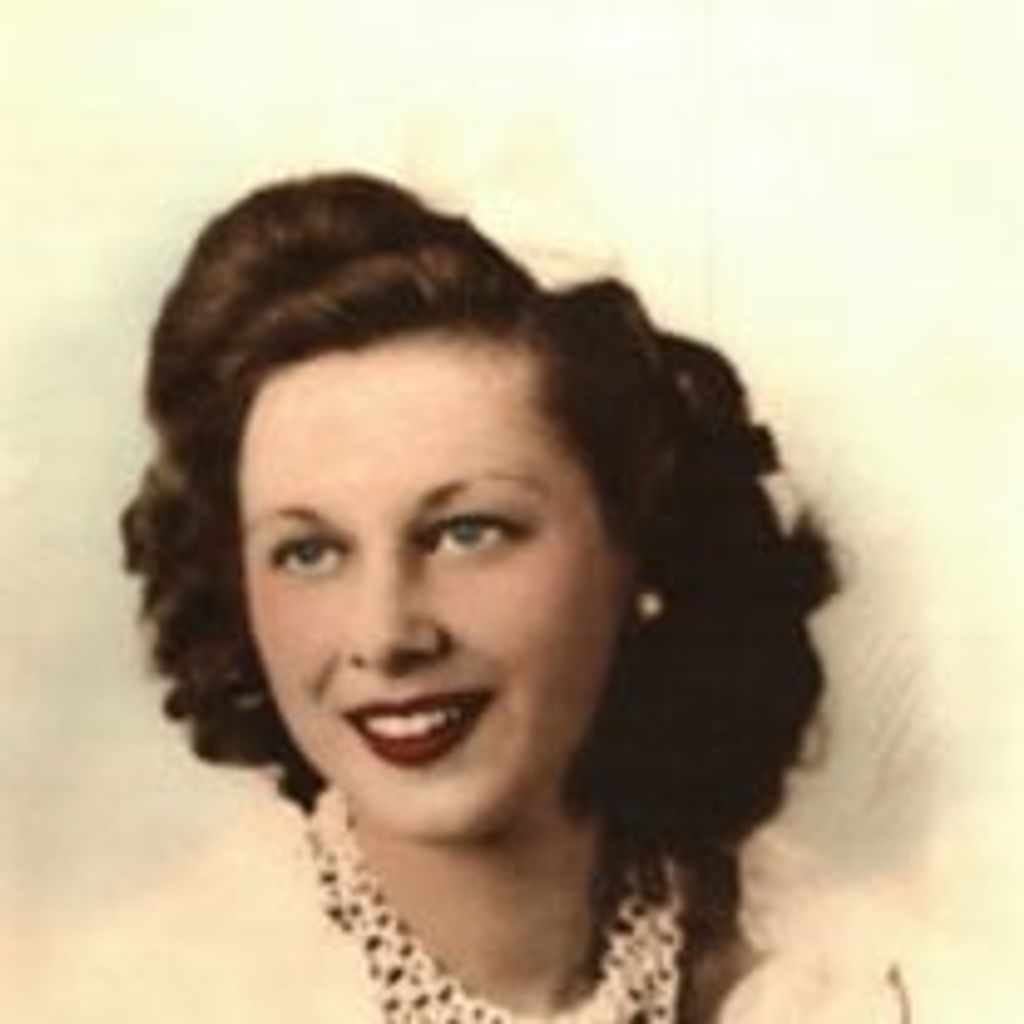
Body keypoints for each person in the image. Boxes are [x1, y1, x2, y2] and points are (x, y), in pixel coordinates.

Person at [72, 172, 909, 1022]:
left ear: (645, 544)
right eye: (310, 552)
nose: (384, 634)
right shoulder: (153, 994)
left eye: (466, 532)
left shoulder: (830, 975)